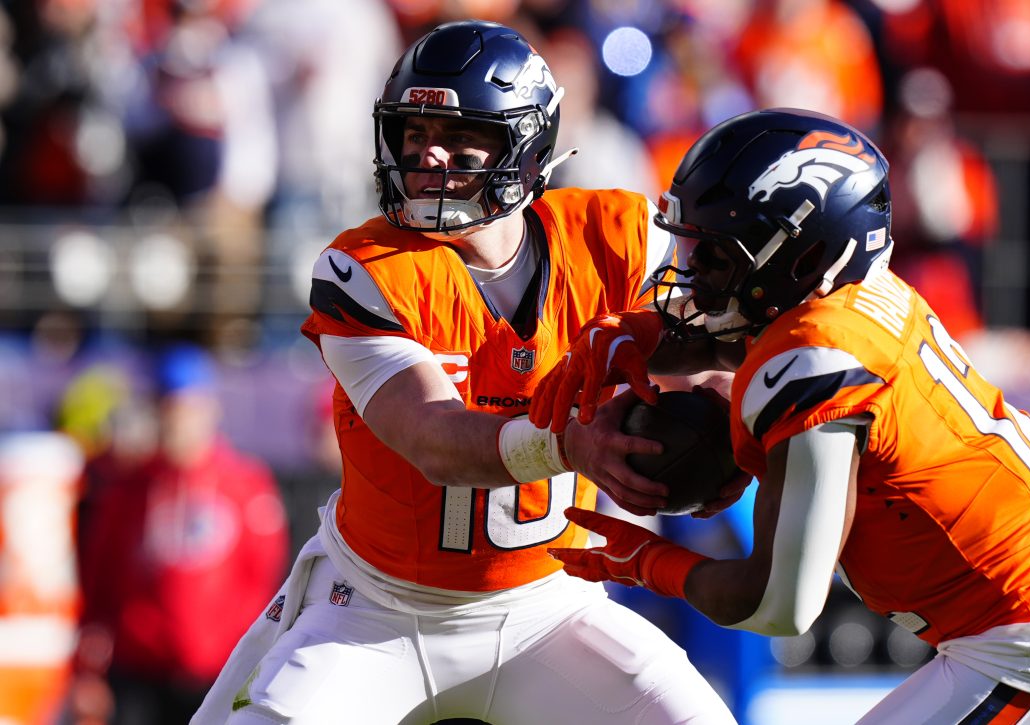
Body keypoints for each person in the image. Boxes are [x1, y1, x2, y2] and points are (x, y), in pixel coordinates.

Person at [192, 20, 736, 725]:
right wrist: (568, 444)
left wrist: (733, 411)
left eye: (459, 136)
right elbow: (432, 436)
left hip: (549, 605)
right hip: (378, 613)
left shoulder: (616, 238)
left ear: (527, 146)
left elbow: (728, 341)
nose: (428, 155)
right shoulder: (366, 267)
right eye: (414, 134)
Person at [531, 108, 1030, 723]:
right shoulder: (859, 299)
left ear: (801, 254)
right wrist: (641, 333)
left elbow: (780, 603)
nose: (691, 275)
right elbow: (748, 339)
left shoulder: (817, 368)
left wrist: (644, 562)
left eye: (717, 257)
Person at [75, 344, 289, 725]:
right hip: (139, 671)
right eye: (169, 410)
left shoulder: (245, 484)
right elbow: (98, 581)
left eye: (189, 409)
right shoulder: (129, 490)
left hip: (218, 673)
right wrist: (87, 670)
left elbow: (266, 579)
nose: (179, 422)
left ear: (211, 409)